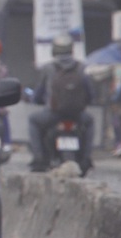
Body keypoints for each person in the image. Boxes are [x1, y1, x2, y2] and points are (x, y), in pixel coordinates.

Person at [27, 33, 96, 175]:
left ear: (54, 50)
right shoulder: (82, 68)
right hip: (77, 114)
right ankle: (86, 158)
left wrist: (35, 100)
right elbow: (90, 94)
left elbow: (38, 93)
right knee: (90, 123)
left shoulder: (48, 68)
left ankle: (39, 159)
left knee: (33, 120)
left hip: (53, 114)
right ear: (71, 49)